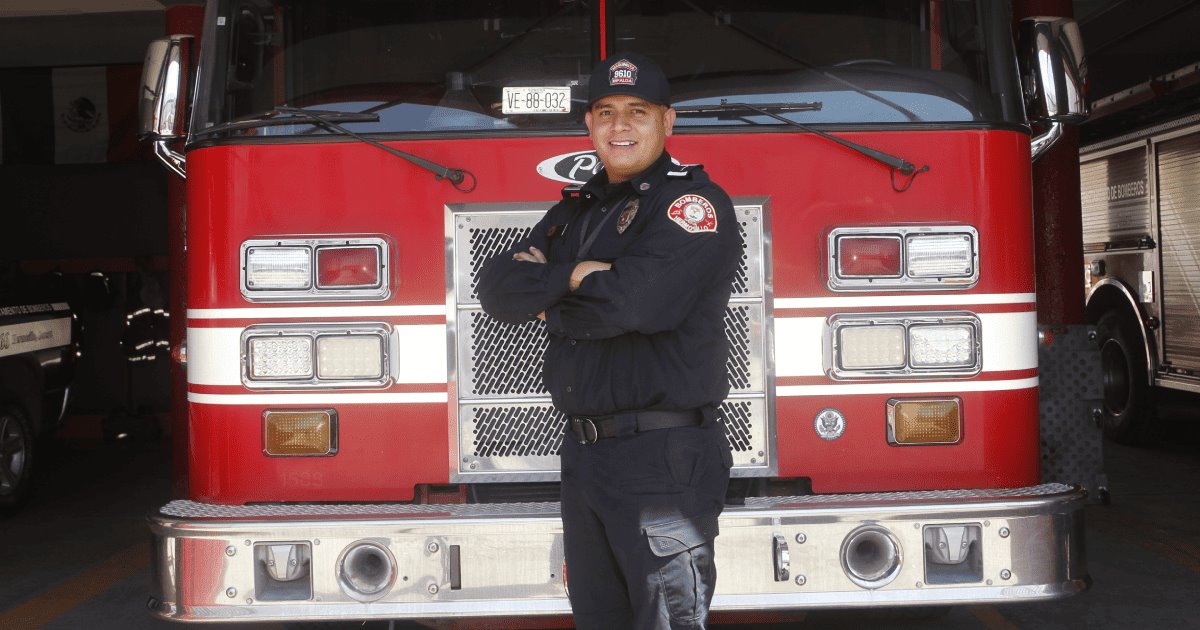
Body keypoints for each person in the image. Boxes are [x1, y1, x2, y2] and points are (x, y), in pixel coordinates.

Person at [476, 52, 741, 630]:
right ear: (590, 125)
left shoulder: (691, 207)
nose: (620, 126)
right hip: (587, 458)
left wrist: (552, 298)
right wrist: (577, 275)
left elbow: (634, 304)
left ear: (667, 123)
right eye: (606, 112)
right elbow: (497, 289)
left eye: (637, 111)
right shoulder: (577, 214)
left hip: (662, 462)